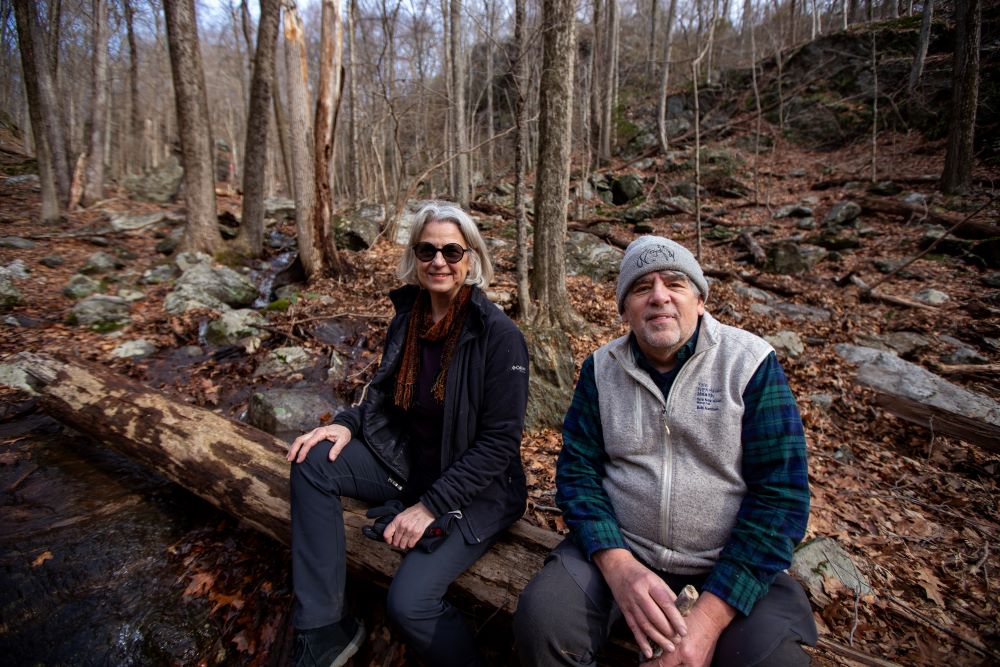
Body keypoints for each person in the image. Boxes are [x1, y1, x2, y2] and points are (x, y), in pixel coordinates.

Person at [514, 236, 817, 666]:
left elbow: (781, 497)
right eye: (641, 288)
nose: (659, 296)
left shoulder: (749, 364)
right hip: (623, 551)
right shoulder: (601, 370)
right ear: (625, 310)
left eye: (674, 283)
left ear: (701, 298)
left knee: (774, 662)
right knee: (544, 621)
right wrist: (617, 565)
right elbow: (577, 474)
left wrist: (709, 619)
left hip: (725, 564)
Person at [287, 202, 529, 667]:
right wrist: (343, 423)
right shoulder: (409, 319)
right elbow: (380, 397)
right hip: (410, 466)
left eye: (452, 251)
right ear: (415, 257)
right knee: (311, 462)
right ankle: (322, 631)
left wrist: (430, 507)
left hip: (477, 491)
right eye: (427, 250)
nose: (439, 261)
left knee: (409, 604)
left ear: (472, 259)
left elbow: (500, 443)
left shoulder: (499, 336)